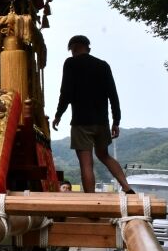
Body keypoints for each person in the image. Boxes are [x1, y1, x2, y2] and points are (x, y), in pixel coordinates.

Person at [52, 35, 134, 195]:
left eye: (71, 50)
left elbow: (65, 92)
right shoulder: (103, 65)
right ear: (87, 47)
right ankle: (127, 187)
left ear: (74, 47)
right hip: (102, 122)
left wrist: (58, 114)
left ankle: (91, 198)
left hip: (81, 122)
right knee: (104, 155)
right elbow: (113, 94)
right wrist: (116, 121)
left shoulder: (71, 63)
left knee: (86, 163)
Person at [44, 180, 73, 251]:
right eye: (64, 187)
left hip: (65, 235)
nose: (66, 190)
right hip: (52, 234)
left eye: (68, 188)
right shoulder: (52, 200)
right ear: (59, 189)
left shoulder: (74, 202)